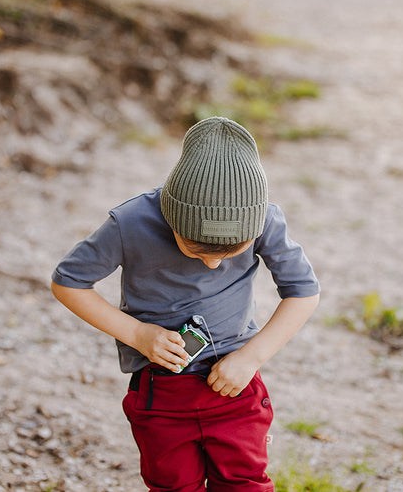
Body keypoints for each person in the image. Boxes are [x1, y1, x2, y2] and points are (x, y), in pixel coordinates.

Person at [51, 116, 320, 491]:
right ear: (171, 216)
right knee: (172, 484)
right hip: (161, 392)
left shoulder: (266, 222)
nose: (212, 262)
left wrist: (251, 358)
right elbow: (68, 282)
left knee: (244, 482)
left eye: (231, 252)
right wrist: (138, 334)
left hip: (235, 384)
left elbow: (304, 292)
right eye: (195, 249)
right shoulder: (130, 223)